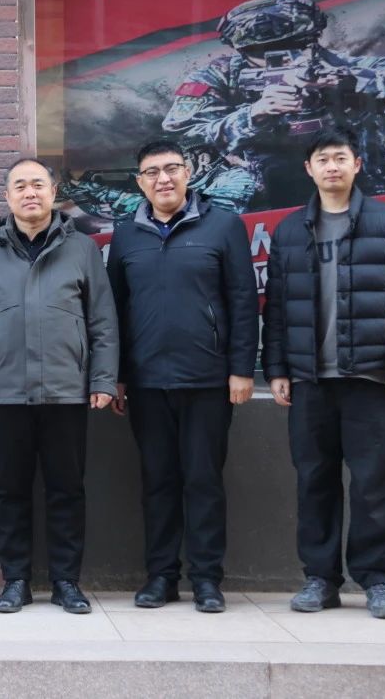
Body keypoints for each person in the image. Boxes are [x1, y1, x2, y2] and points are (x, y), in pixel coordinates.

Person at [262, 128, 385, 620]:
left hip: (370, 379)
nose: (331, 166)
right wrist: (277, 369)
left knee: (372, 482)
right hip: (310, 379)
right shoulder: (290, 230)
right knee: (314, 480)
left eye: (340, 158)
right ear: (308, 169)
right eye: (322, 159)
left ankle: (377, 580)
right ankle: (320, 578)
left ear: (357, 164)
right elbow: (277, 308)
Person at [0, 158, 119, 615]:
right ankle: (16, 580)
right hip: (7, 391)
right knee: (10, 490)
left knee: (67, 489)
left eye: (38, 185)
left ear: (53, 191)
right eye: (21, 186)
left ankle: (67, 581)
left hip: (67, 390)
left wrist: (103, 378)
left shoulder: (81, 248)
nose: (30, 193)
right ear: (7, 197)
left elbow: (102, 321)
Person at [106, 139, 259, 613]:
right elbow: (115, 310)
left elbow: (243, 300)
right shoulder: (125, 235)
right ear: (140, 182)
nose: (163, 179)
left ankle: (207, 579)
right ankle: (161, 577)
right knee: (158, 482)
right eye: (152, 172)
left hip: (207, 379)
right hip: (147, 382)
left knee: (203, 480)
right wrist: (117, 375)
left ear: (188, 172)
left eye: (171, 169)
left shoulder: (223, 226)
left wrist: (241, 368)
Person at [163, 0, 385, 211]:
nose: (281, 60)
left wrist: (353, 83)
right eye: (261, 52)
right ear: (241, 51)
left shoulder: (339, 66)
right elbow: (182, 136)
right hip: (263, 193)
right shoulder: (219, 77)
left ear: (312, 42)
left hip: (365, 179)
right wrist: (254, 114)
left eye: (293, 48)